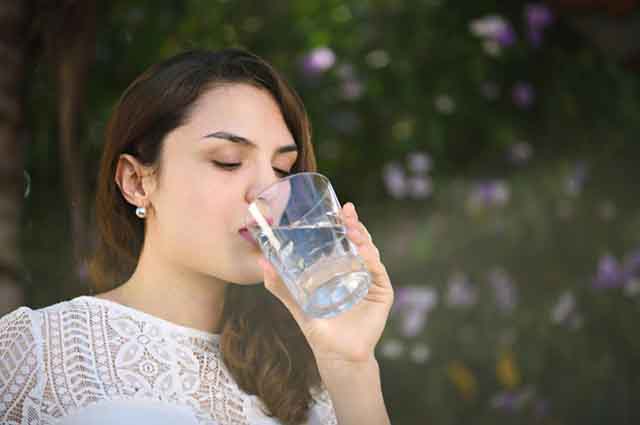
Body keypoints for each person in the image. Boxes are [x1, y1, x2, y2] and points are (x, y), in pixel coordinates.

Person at [0, 48, 394, 425]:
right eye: (228, 162)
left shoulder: (309, 376)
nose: (265, 191)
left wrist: (352, 365)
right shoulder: (36, 351)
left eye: (282, 168)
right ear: (137, 182)